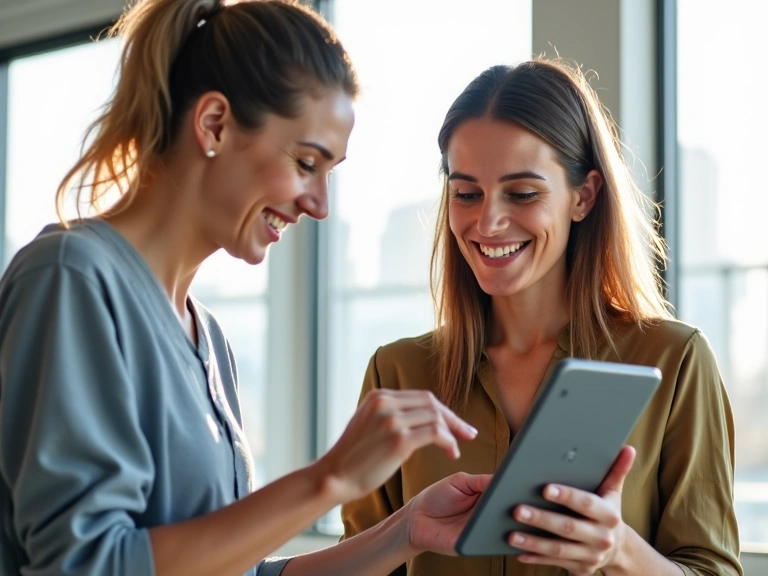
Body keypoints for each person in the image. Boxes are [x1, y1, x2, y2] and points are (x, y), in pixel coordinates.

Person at [0, 1, 494, 575]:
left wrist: (405, 533)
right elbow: (88, 566)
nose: (320, 205)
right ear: (213, 123)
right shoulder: (71, 281)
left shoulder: (207, 338)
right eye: (307, 162)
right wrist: (327, 479)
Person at [341, 59, 743, 576]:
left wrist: (621, 551)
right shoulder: (397, 373)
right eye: (466, 193)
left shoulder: (672, 360)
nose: (488, 221)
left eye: (523, 193)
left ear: (584, 195)